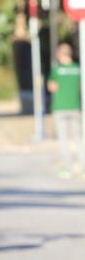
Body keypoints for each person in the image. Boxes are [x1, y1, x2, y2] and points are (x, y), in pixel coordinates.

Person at [47, 43, 84, 178]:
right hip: (75, 107)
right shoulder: (78, 69)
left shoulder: (57, 70)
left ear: (60, 55)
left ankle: (68, 169)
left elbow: (52, 87)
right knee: (78, 139)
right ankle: (83, 167)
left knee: (63, 139)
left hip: (60, 108)